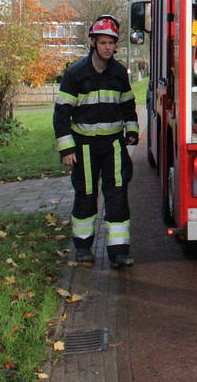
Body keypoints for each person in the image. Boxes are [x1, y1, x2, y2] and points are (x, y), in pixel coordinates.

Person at [53, 14, 139, 269]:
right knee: (86, 195)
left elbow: (128, 104)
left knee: (117, 196)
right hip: (85, 147)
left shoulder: (119, 72)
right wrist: (67, 148)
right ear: (93, 43)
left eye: (111, 43)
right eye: (103, 43)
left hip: (113, 146)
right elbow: (61, 114)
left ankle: (119, 252)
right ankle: (82, 248)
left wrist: (132, 130)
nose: (108, 47)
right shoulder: (75, 74)